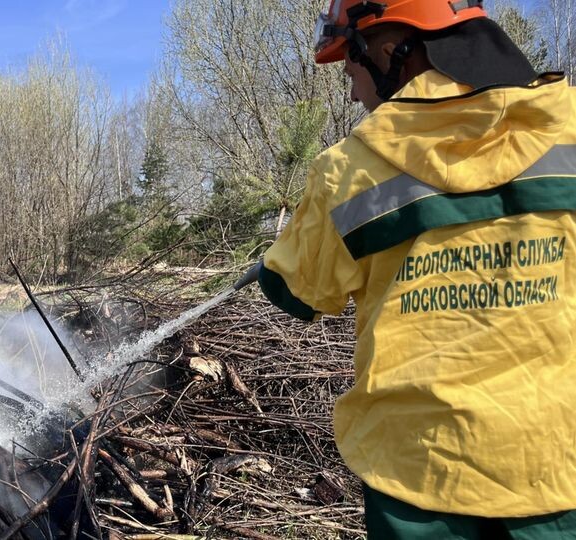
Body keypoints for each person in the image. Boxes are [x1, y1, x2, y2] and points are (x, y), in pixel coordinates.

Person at [238, 1, 576, 537]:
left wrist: (274, 259)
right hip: (558, 469)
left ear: (393, 47)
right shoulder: (569, 128)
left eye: (351, 68)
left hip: (420, 480)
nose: (352, 92)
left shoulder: (348, 169)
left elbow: (296, 292)